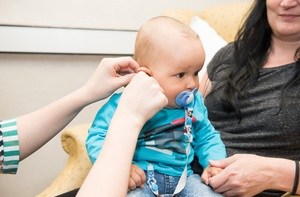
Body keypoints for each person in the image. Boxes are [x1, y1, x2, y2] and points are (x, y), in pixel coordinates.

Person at [86, 16, 226, 196]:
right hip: (140, 181)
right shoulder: (125, 104)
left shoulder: (195, 103)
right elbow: (97, 136)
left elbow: (207, 137)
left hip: (185, 181)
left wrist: (215, 164)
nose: (192, 84)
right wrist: (122, 168)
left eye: (196, 73)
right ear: (146, 75)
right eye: (181, 74)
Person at [0, 56, 168, 197]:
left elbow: (3, 145)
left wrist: (88, 91)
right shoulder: (114, 108)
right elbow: (96, 137)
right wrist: (130, 117)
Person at [197, 0, 300, 196]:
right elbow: (188, 116)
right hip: (179, 178)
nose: (287, 3)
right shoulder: (229, 54)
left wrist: (273, 174)